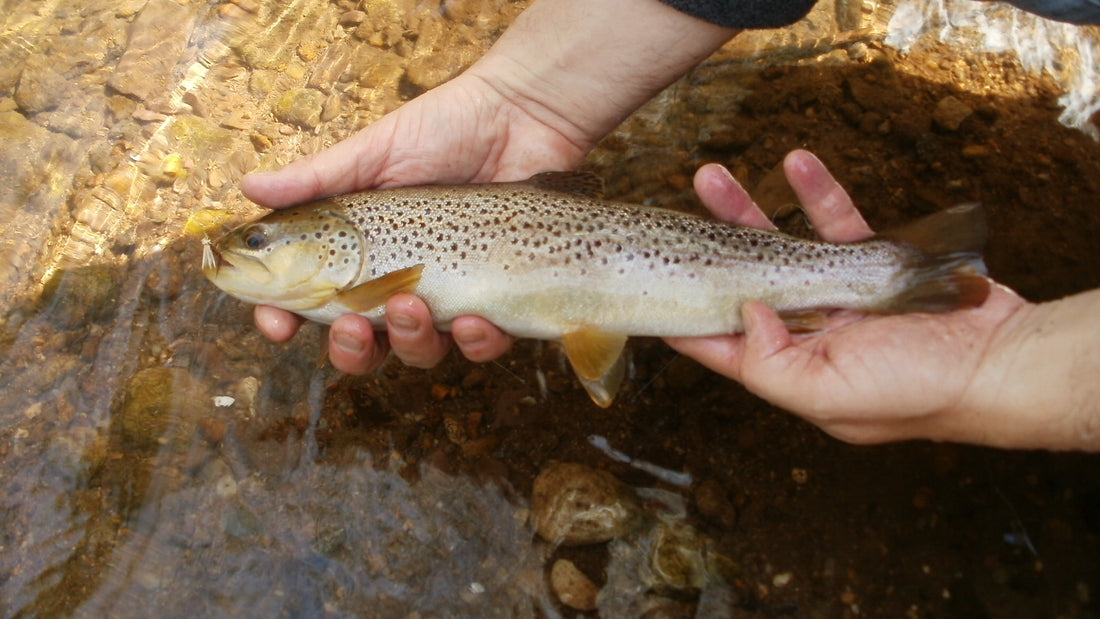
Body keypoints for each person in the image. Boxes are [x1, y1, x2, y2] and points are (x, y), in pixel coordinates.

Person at [240, 0, 1100, 451]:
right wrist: (1003, 363)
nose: (246, 251)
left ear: (333, 251)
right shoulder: (355, 260)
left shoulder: (362, 278)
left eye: (258, 243)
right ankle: (901, 274)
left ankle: (896, 273)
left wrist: (1006, 369)